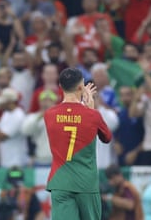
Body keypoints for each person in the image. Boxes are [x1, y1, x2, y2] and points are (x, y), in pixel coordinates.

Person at [44, 67, 112, 220]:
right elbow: (107, 137)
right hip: (86, 182)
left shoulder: (49, 115)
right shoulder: (92, 115)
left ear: (60, 87)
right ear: (81, 87)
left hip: (60, 181)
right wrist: (90, 108)